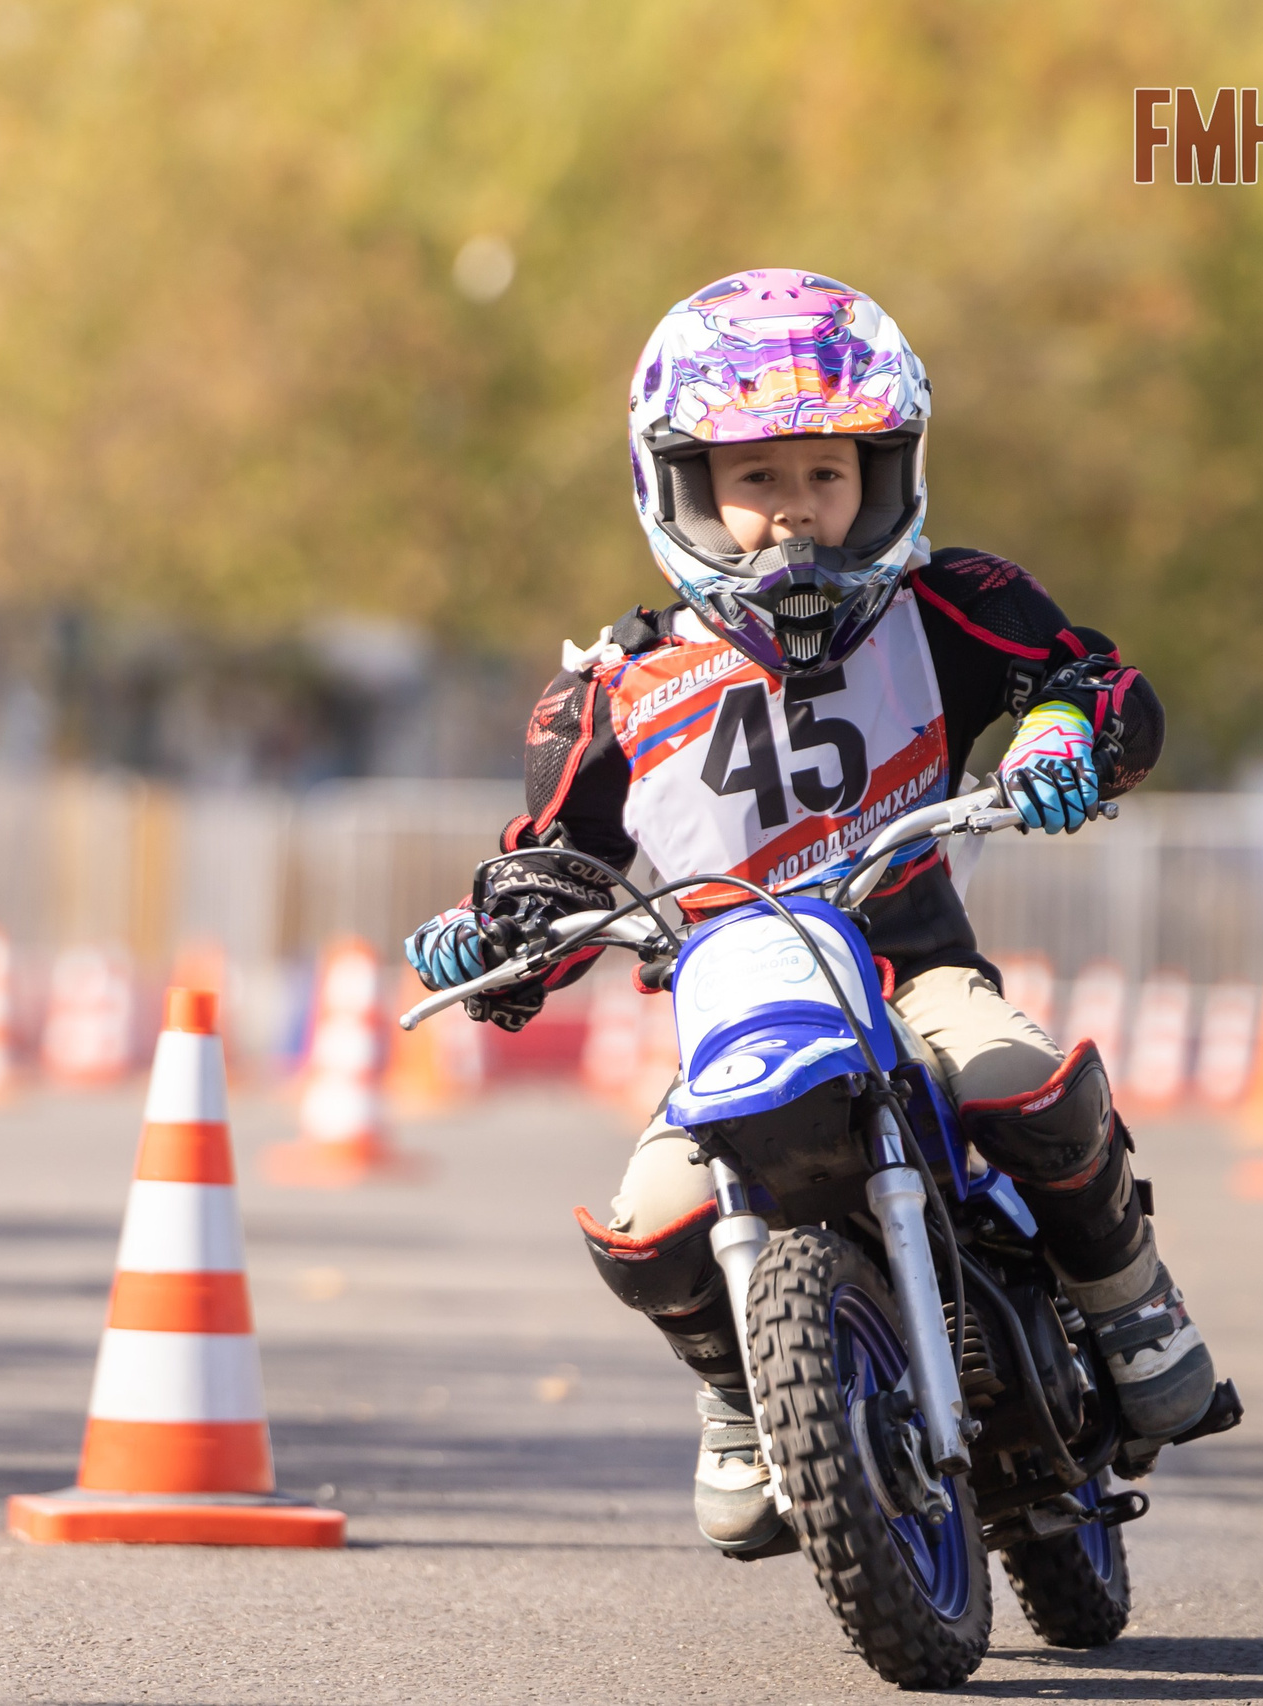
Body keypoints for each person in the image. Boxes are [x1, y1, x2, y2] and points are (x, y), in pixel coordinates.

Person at [404, 268, 1215, 1559]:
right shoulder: (608, 693)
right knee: (647, 1220)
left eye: (827, 478)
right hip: (738, 1014)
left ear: (884, 477)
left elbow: (1090, 681)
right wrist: (491, 935)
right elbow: (549, 862)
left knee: (1014, 1068)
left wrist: (1064, 739)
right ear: (682, 489)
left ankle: (1129, 1297)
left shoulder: (946, 601)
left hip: (909, 967)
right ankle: (741, 1387)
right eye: (759, 481)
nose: (797, 519)